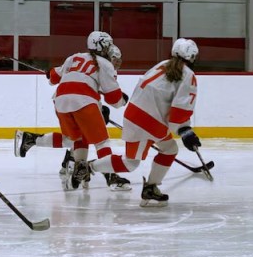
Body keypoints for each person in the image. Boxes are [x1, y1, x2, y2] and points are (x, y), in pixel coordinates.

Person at [83, 38, 202, 207]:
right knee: (134, 162)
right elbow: (179, 111)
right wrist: (185, 131)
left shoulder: (162, 64)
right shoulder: (188, 75)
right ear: (193, 57)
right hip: (151, 122)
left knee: (165, 150)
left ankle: (149, 187)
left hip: (135, 114)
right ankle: (90, 168)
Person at [19, 31, 128, 190]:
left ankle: (79, 170)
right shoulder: (105, 64)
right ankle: (112, 177)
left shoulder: (75, 57)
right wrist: (123, 99)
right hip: (84, 101)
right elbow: (114, 99)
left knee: (77, 138)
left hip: (60, 101)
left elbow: (54, 77)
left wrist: (50, 73)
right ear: (102, 46)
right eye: (109, 44)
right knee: (102, 142)